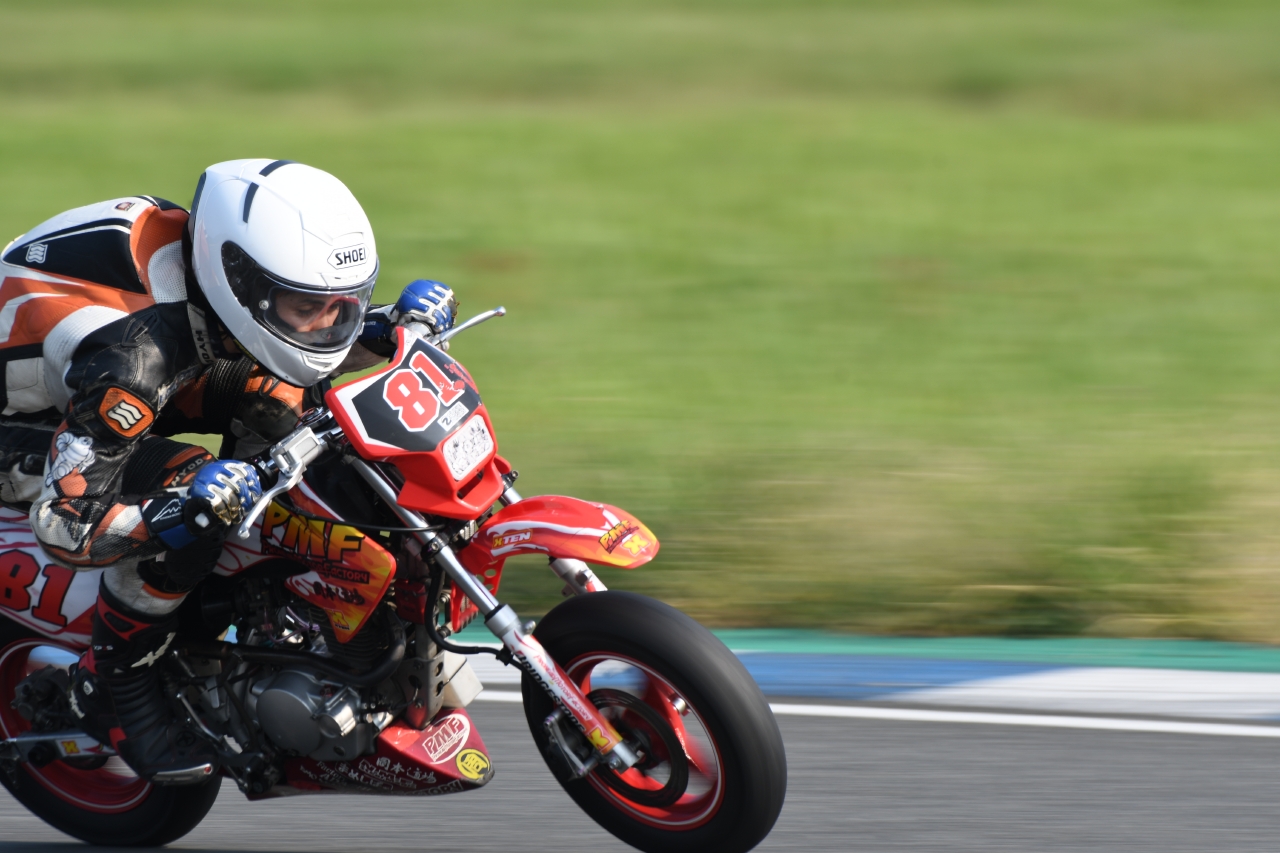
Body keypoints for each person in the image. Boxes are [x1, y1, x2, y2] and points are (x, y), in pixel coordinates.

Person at [0, 159, 457, 782]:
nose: (327, 323)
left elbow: (290, 343)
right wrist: (181, 511)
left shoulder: (216, 273)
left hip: (101, 376)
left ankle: (275, 582)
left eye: (343, 306)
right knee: (190, 487)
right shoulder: (132, 363)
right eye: (308, 306)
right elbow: (66, 524)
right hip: (32, 425)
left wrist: (384, 330)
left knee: (281, 398)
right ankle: (118, 685)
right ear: (239, 281)